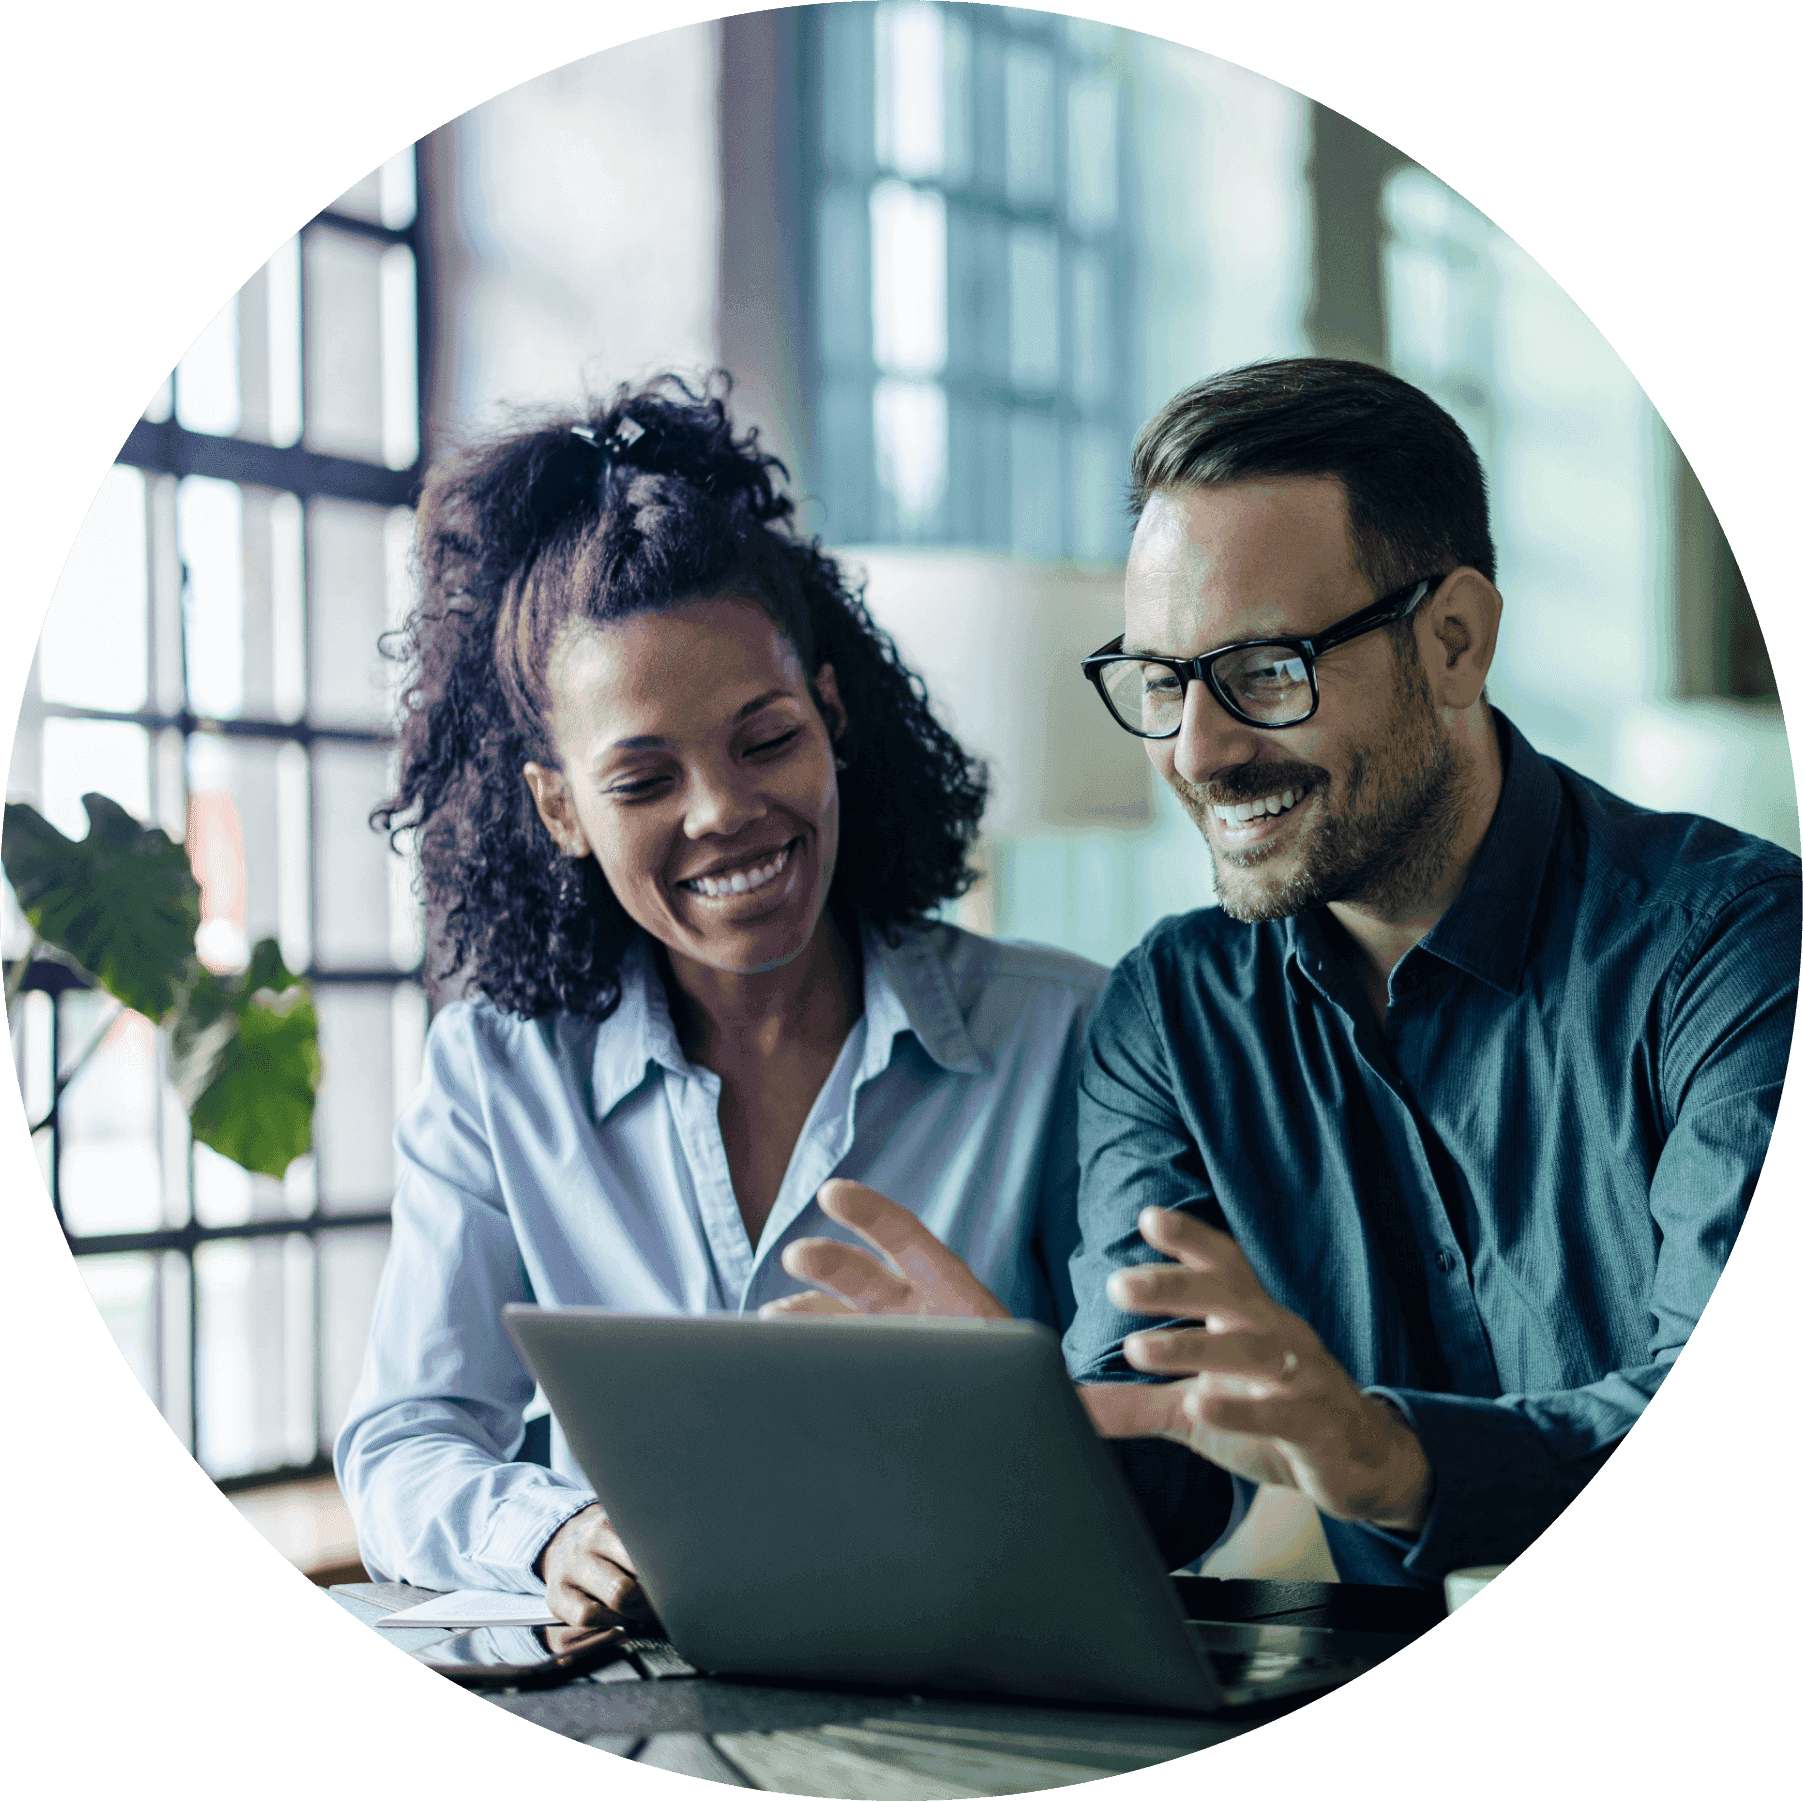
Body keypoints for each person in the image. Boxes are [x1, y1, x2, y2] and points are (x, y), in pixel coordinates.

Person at [770, 358, 1800, 1588]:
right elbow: (1169, 1474)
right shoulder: (1167, 1013)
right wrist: (1013, 1429)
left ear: (1456, 641)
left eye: (1265, 670)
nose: (1200, 752)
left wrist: (1399, 1461)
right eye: (1162, 681)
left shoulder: (1734, 951)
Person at [334, 375, 1105, 1624]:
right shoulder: (494, 1076)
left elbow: (1199, 1477)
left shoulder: (1067, 1035)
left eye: (765, 739)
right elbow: (404, 1438)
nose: (723, 811)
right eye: (641, 778)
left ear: (833, 713)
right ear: (560, 810)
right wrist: (556, 1531)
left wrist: (1024, 1413)